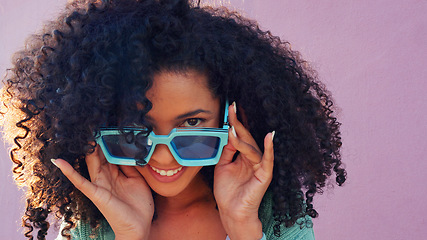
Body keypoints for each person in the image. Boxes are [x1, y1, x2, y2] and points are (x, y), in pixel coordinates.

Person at [0, 0, 346, 239]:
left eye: (192, 124)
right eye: (139, 127)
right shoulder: (93, 221)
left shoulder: (273, 216)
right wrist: (128, 235)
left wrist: (244, 229)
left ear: (232, 118)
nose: (162, 157)